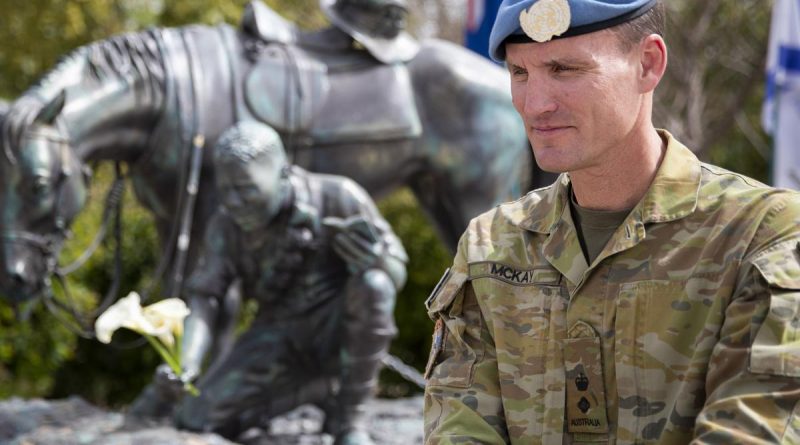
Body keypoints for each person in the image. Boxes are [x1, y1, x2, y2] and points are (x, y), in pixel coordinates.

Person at [422, 0, 800, 443]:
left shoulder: (762, 233)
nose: (535, 104)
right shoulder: (493, 244)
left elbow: (752, 431)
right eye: (519, 73)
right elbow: (459, 429)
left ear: (648, 64)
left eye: (565, 69)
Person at [145, 121, 407, 445]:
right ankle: (316, 389)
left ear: (283, 173)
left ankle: (350, 419)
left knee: (375, 285)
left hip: (337, 327)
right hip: (276, 336)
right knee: (195, 417)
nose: (234, 202)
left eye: (246, 189)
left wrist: (377, 259)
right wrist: (188, 363)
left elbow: (395, 272)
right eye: (226, 190)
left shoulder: (339, 195)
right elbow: (206, 298)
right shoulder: (225, 226)